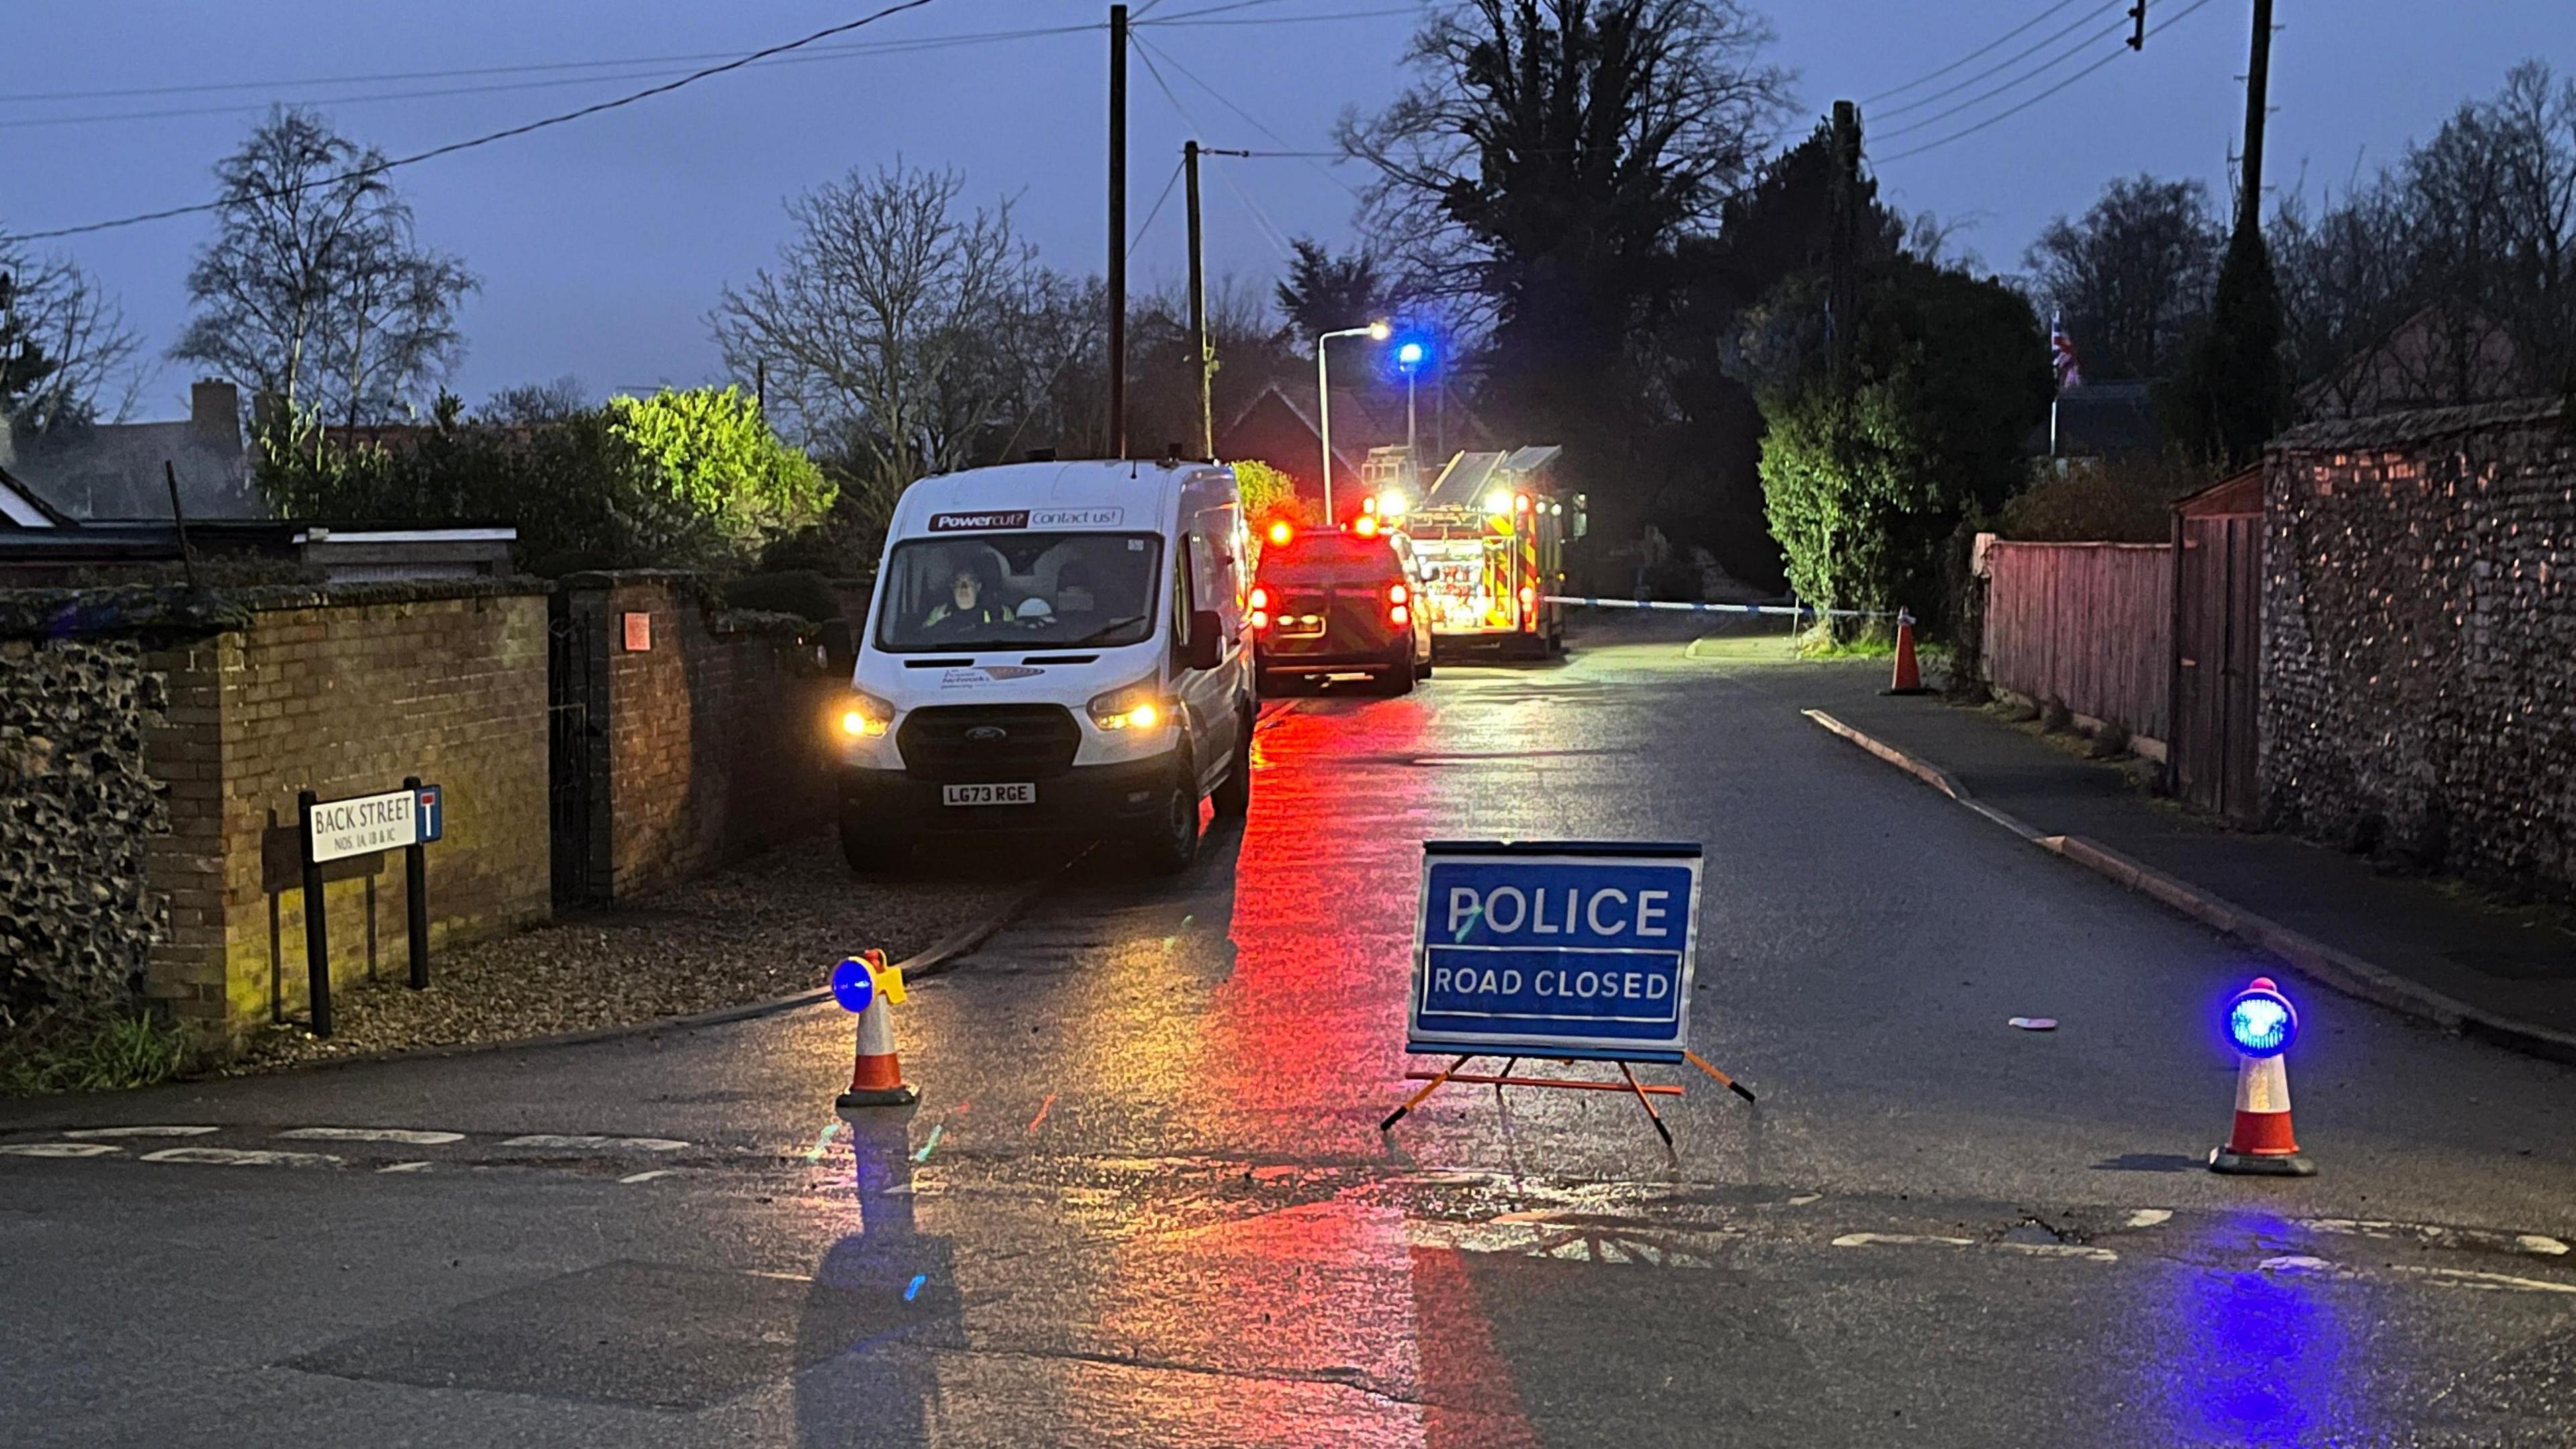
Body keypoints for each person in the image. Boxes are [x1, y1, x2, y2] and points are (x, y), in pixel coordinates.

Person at [924, 564, 1010, 629]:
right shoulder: (939, 614)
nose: (964, 588)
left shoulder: (1000, 613)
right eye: (958, 583)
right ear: (952, 587)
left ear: (978, 587)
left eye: (970, 582)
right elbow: (925, 636)